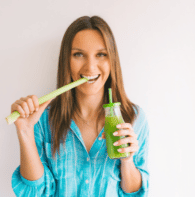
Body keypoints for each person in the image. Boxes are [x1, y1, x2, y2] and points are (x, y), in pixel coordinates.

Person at [11, 15, 150, 197]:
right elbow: (36, 192)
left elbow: (134, 194)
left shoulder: (134, 118)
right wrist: (25, 131)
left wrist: (127, 161)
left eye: (101, 54)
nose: (90, 67)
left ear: (112, 60)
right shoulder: (43, 118)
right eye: (79, 54)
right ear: (66, 61)